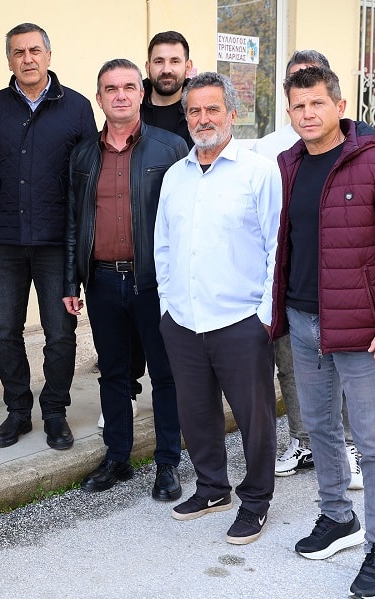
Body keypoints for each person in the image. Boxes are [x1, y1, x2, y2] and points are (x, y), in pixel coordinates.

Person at [272, 66, 375, 599]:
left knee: (373, 442)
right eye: (298, 105)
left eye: (317, 103)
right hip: (303, 321)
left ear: (340, 106)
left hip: (364, 329)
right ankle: (337, 517)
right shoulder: (290, 164)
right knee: (319, 429)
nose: (307, 114)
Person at [154, 72, 281, 545]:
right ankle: (212, 489)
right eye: (194, 110)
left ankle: (256, 501)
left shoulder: (258, 172)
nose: (203, 119)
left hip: (240, 321)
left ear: (232, 114)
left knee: (254, 418)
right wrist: (168, 305)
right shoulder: (175, 176)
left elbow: (277, 247)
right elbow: (163, 245)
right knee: (196, 414)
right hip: (184, 321)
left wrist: (264, 316)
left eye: (212, 109)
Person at [0, 22, 96, 450]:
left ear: (48, 56)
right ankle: (18, 412)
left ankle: (55, 411)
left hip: (57, 243)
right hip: (3, 240)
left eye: (35, 50)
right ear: (9, 61)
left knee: (60, 333)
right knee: (5, 330)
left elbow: (89, 179)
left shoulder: (76, 108)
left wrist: (85, 242)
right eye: (18, 52)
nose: (28, 59)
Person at [64, 59, 188, 497]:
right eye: (111, 88)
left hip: (154, 283)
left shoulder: (171, 148)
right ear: (99, 98)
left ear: (141, 93)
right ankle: (118, 458)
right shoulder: (83, 155)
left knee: (166, 374)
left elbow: (187, 218)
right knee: (113, 373)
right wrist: (70, 282)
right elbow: (73, 223)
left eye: (129, 87)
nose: (120, 95)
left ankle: (168, 463)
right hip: (101, 282)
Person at [253, 50, 363, 489]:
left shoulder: (360, 145)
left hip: (343, 292)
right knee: (292, 370)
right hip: (292, 286)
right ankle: (303, 441)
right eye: (297, 93)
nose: (307, 107)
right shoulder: (270, 150)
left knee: (346, 373)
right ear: (287, 97)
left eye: (315, 95)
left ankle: (349, 446)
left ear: (333, 97)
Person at [143, 31, 194, 147]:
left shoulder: (202, 109)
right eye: (159, 62)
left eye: (175, 61)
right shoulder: (131, 106)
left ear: (188, 67)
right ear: (148, 68)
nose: (166, 70)